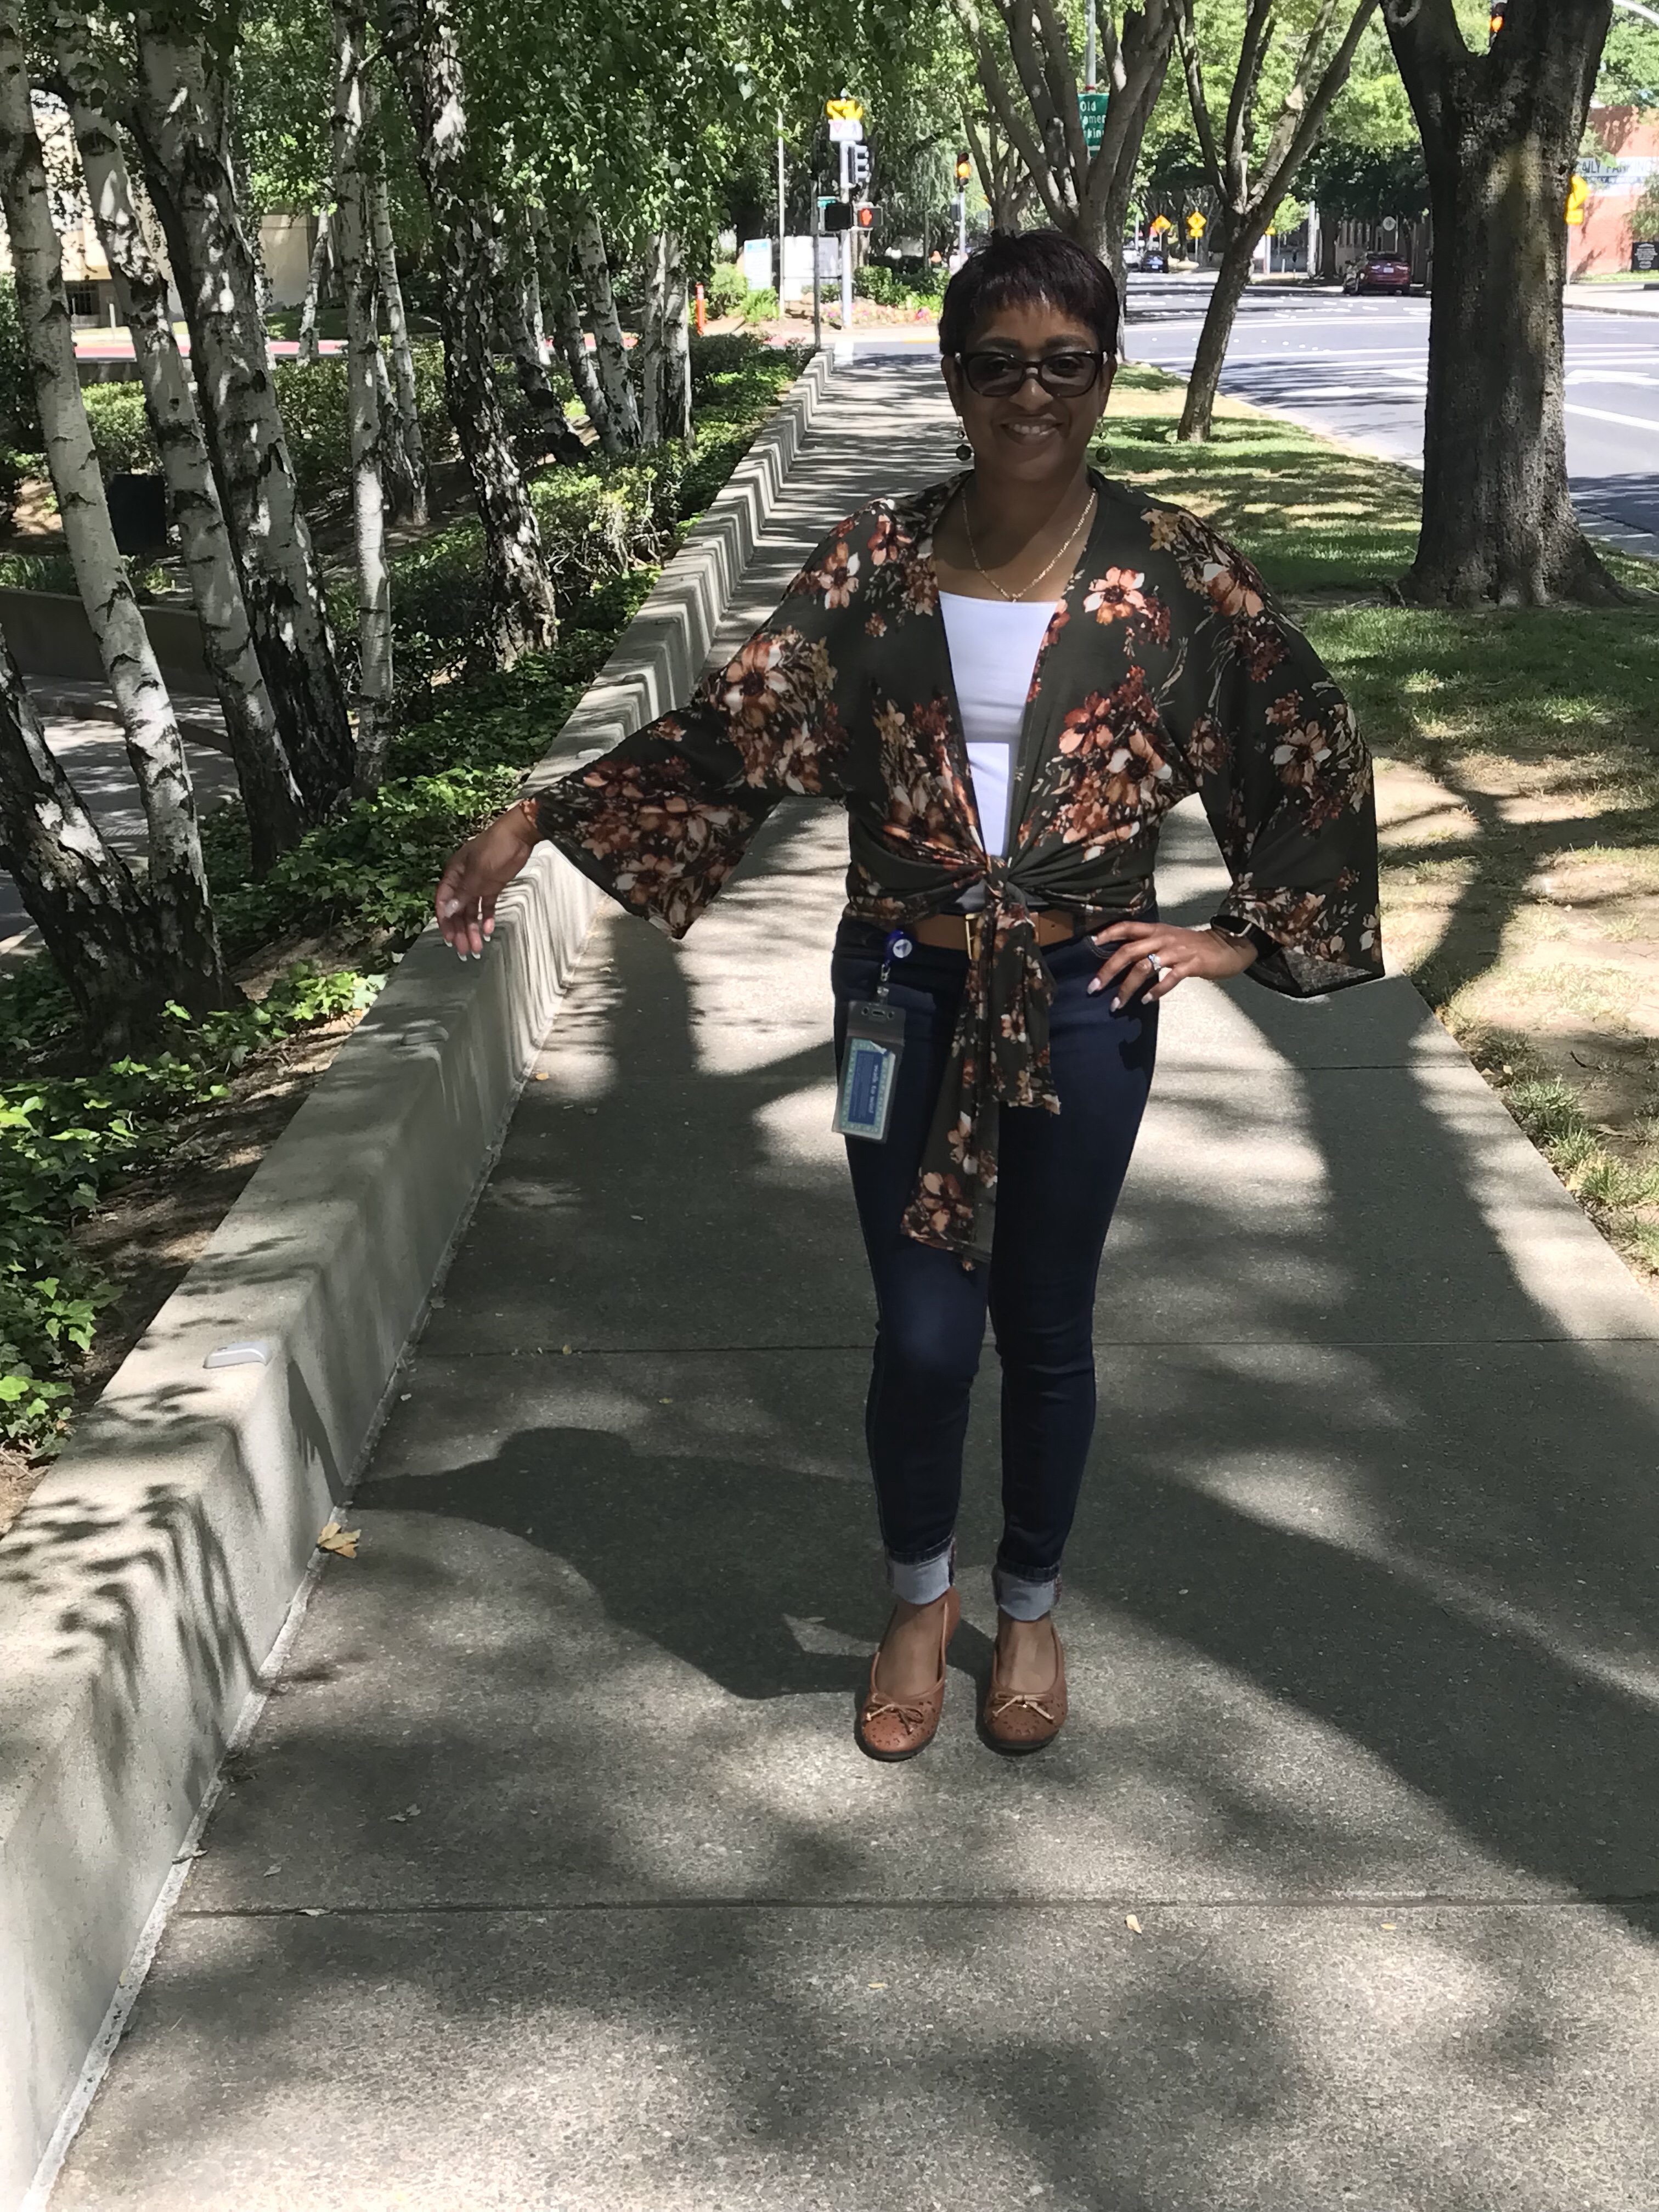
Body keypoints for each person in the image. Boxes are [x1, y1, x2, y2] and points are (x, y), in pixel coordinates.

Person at [434, 229, 1381, 1763]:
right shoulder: (875, 560)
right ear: (954, 377)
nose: (1031, 394)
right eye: (999, 363)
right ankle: (922, 1599)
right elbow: (738, 726)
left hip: (1084, 992)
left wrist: (1240, 938)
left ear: (1105, 377)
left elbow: (1306, 744)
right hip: (903, 984)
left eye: (1064, 364)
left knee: (1048, 1324)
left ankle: (1033, 1605)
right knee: (926, 1332)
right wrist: (538, 816)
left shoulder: (1174, 568)